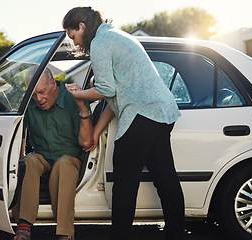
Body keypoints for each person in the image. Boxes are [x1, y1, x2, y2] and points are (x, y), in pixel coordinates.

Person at [62, 7, 185, 240]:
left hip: (141, 114)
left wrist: (78, 95)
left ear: (81, 26)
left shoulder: (100, 42)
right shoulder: (118, 35)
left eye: (73, 36)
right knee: (166, 179)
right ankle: (176, 234)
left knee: (124, 185)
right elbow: (114, 96)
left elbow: (106, 90)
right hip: (162, 112)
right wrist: (97, 131)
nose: (75, 43)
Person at [12, 68, 93, 240]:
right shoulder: (30, 104)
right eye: (34, 95)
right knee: (29, 161)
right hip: (43, 157)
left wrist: (83, 109)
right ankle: (24, 225)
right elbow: (19, 135)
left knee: (63, 164)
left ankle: (65, 234)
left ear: (53, 84)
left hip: (69, 158)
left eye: (41, 92)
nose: (38, 99)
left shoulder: (72, 99)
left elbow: (86, 142)